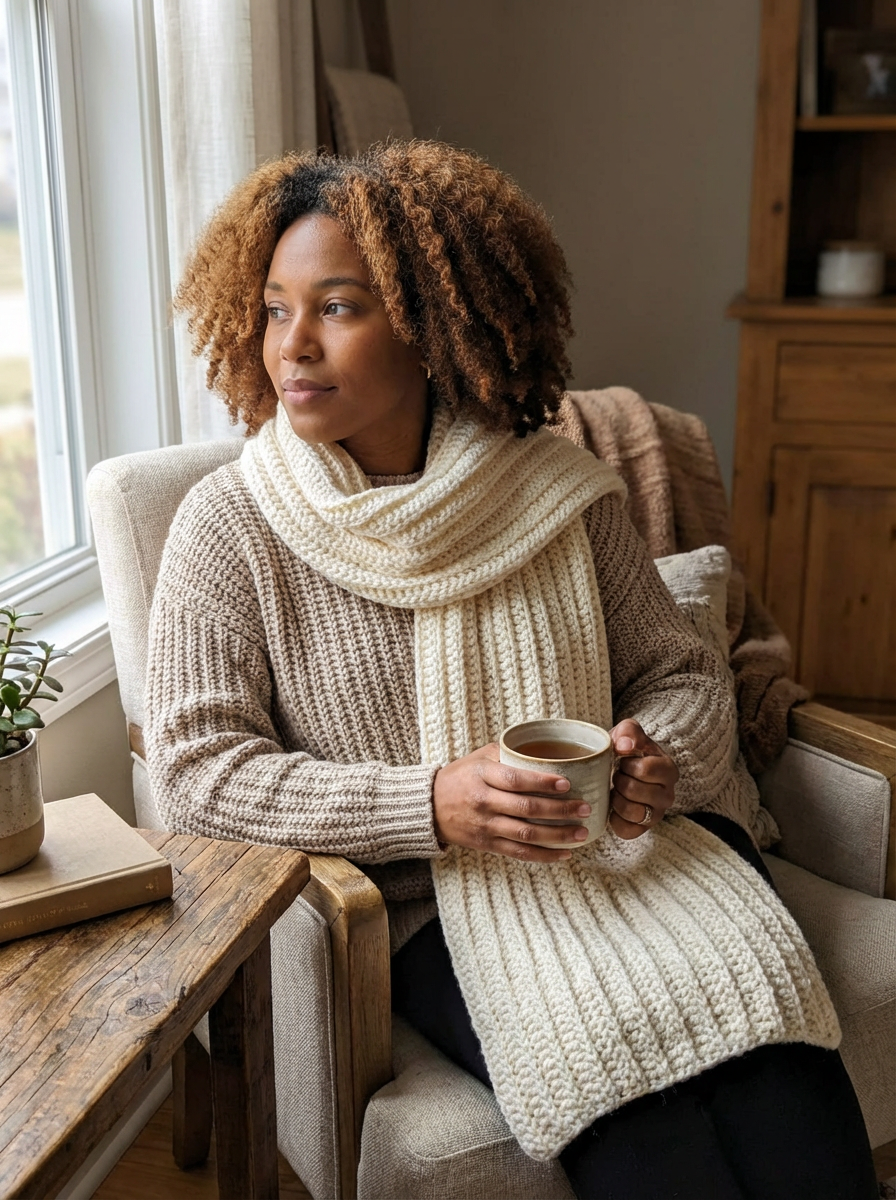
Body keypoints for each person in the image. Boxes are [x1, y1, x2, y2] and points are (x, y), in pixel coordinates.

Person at [147, 141, 877, 1199]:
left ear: (432, 323)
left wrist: (648, 758)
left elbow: (679, 675)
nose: (290, 345)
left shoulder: (562, 494)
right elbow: (194, 773)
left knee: (788, 1095)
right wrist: (429, 802)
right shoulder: (231, 527)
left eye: (337, 308)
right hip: (438, 906)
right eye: (270, 308)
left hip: (636, 859)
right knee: (653, 1142)